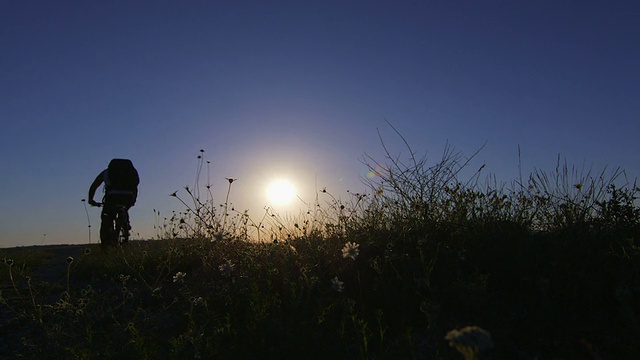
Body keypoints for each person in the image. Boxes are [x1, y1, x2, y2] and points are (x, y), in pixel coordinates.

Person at [88, 158, 139, 246]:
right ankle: (125, 225)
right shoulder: (130, 173)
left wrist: (91, 200)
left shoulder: (106, 172)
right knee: (124, 209)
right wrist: (133, 200)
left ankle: (106, 245)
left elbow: (94, 186)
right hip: (128, 197)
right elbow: (135, 187)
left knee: (107, 218)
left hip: (112, 198)